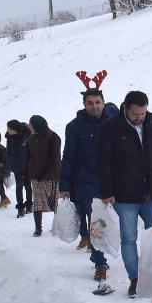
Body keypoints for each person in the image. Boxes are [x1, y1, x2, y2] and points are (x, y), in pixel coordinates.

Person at [97, 90, 152, 298]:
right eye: (136, 114)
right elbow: (103, 162)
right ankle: (135, 278)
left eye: (143, 113)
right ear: (125, 108)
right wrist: (106, 191)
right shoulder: (109, 128)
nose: (140, 118)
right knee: (128, 238)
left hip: (151, 191)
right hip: (124, 194)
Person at [58, 71, 119, 282]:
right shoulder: (74, 128)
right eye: (90, 103)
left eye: (98, 102)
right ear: (84, 104)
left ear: (104, 101)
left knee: (118, 223)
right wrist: (64, 185)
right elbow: (68, 157)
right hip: (87, 183)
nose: (95, 106)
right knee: (95, 226)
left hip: (115, 182)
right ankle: (99, 262)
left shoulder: (117, 122)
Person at [27, 115, 62, 237]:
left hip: (52, 175)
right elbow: (28, 156)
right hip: (36, 177)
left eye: (30, 124)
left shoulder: (53, 137)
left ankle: (57, 226)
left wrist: (43, 172)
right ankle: (38, 228)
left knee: (56, 202)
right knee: (37, 202)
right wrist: (31, 171)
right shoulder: (31, 139)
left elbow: (54, 158)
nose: (29, 126)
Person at [5, 120, 33, 217]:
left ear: (15, 130)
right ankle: (20, 208)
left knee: (28, 185)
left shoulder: (26, 136)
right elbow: (8, 151)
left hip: (27, 165)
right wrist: (10, 161)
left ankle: (29, 205)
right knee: (19, 187)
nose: (7, 130)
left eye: (9, 128)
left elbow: (31, 151)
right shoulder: (9, 138)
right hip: (17, 166)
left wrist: (29, 163)